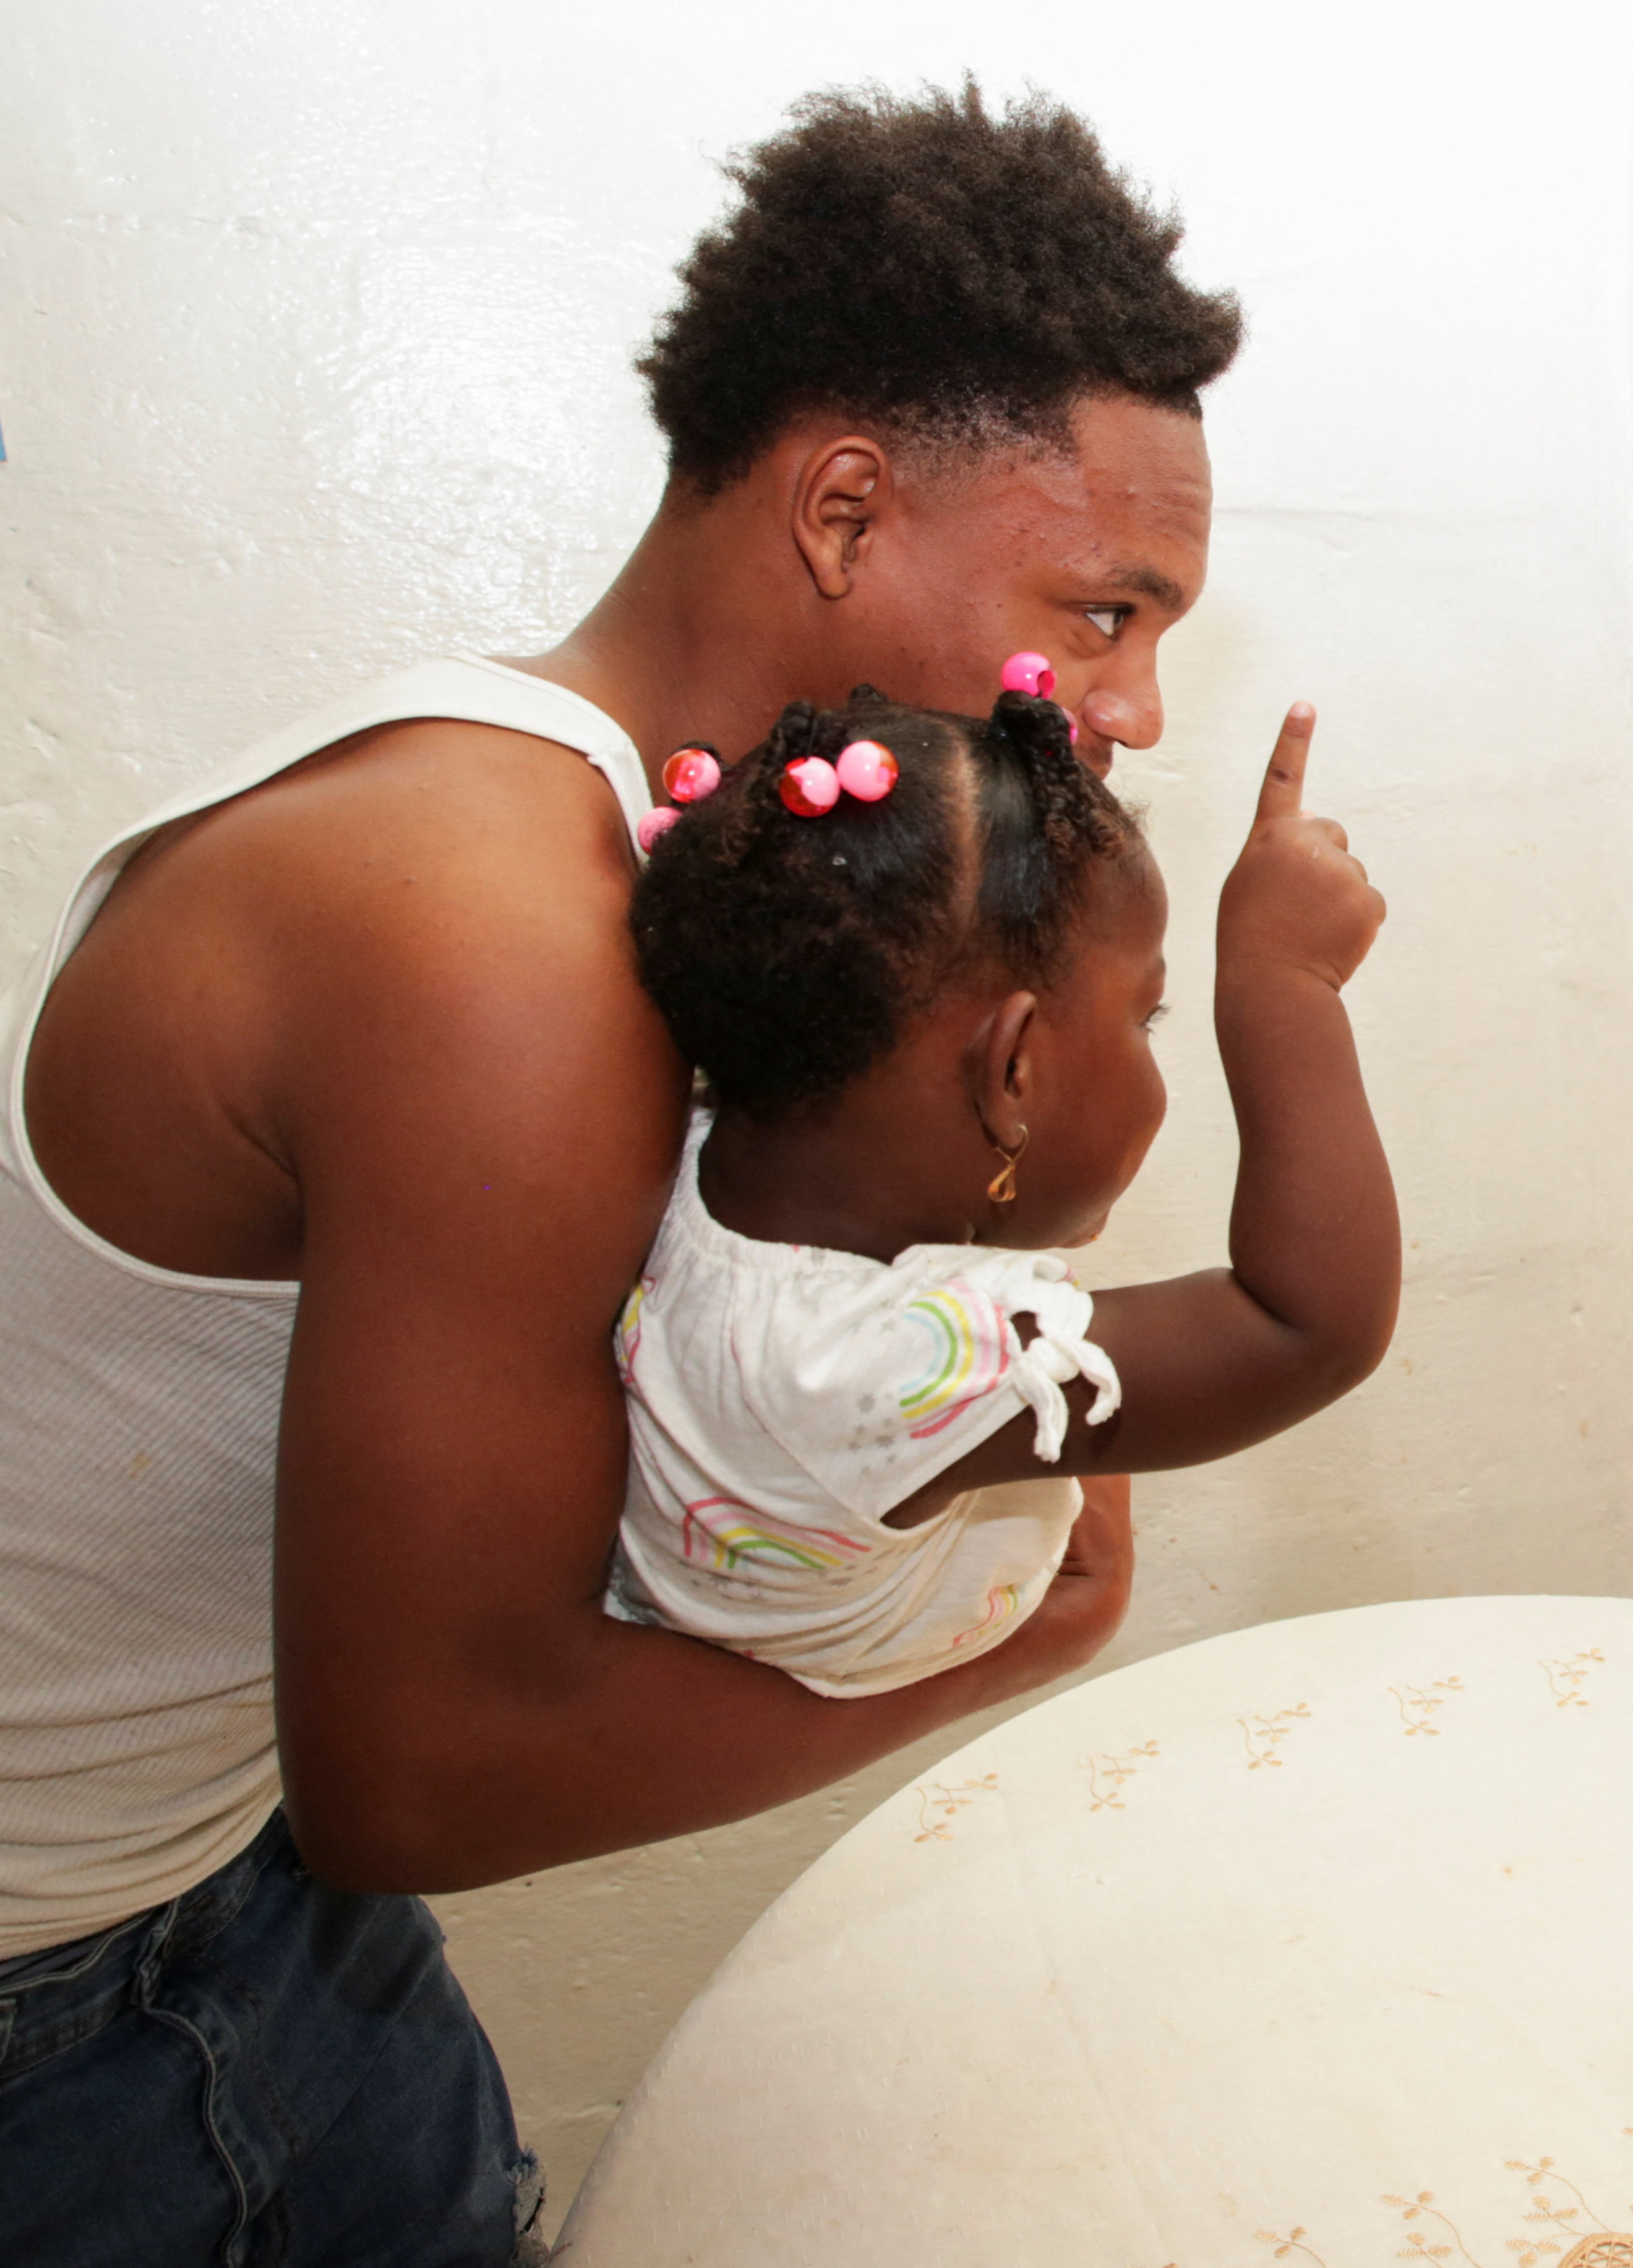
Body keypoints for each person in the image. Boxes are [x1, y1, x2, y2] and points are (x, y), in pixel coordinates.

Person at [0, 85, 1300, 2262]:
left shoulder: (653, 843)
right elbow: (418, 1767)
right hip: (72, 1995)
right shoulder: (495, 939)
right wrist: (1016, 1637)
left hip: (227, 1883)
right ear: (845, 510)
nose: (1135, 702)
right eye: (1104, 609)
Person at [613, 687, 1387, 1697]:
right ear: (1013, 1072)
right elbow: (1306, 1329)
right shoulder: (886, 1363)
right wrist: (1286, 981)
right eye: (1145, 1016)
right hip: (897, 1641)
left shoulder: (700, 1156)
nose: (1151, 1047)